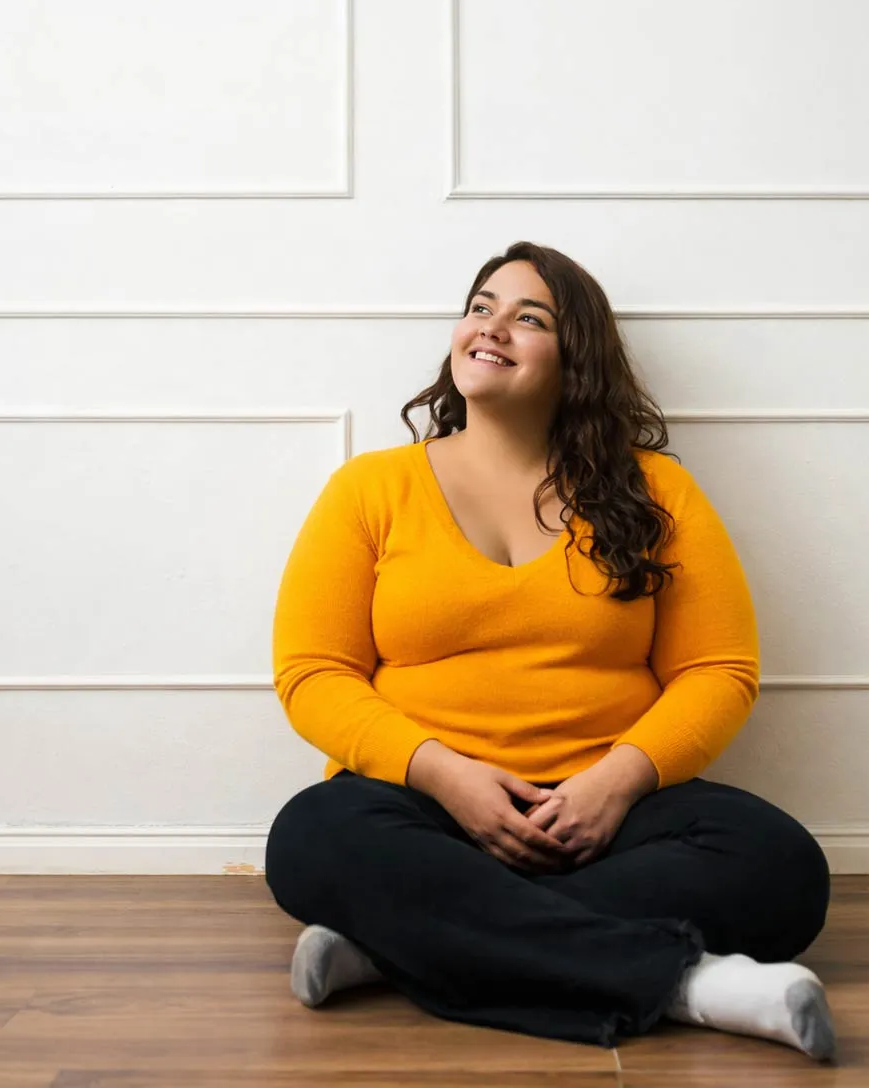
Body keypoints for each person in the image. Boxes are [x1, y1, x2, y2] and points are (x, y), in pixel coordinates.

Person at [263, 242, 836, 1059]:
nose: (491, 326)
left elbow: (719, 670)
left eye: (529, 317)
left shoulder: (656, 492)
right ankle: (693, 985)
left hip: (610, 807)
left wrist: (613, 783)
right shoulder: (370, 489)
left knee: (782, 867)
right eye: (481, 305)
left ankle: (393, 948)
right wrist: (447, 777)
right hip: (422, 802)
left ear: (578, 360)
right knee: (311, 838)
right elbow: (314, 674)